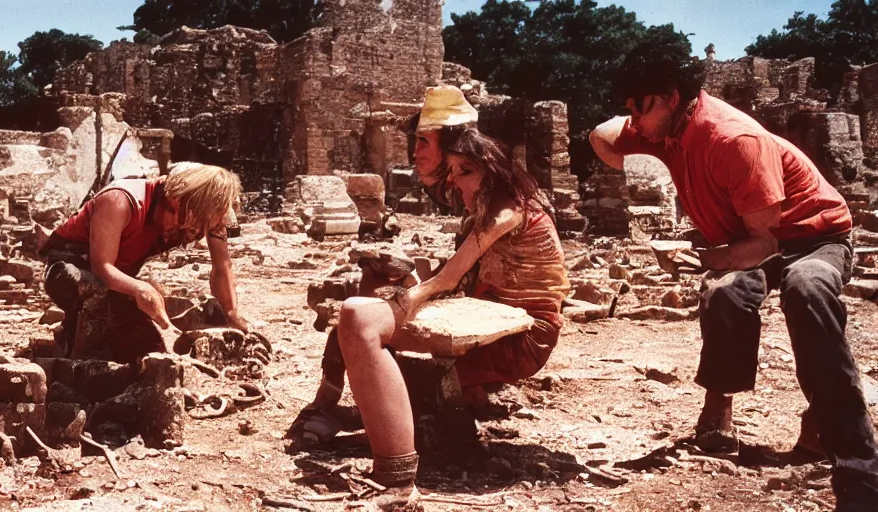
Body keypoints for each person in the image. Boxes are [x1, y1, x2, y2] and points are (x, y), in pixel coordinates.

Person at [590, 40, 878, 510]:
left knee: (807, 290)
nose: (633, 119)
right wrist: (645, 160)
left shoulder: (733, 139)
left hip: (811, 236)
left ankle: (857, 466)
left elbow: (763, 244)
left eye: (638, 107)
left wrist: (706, 259)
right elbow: (600, 137)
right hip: (748, 239)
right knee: (725, 296)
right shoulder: (664, 130)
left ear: (670, 98)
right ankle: (718, 412)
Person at [325, 85, 570, 494]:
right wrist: (403, 282)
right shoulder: (485, 203)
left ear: (489, 165)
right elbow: (460, 275)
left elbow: (450, 278)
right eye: (454, 171)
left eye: (464, 171)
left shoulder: (505, 209)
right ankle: (401, 420)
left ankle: (399, 475)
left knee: (362, 324)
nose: (455, 181)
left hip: (524, 335)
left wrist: (405, 299)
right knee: (364, 322)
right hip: (493, 318)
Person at [40, 162, 247, 364]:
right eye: (190, 226)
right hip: (69, 269)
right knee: (95, 292)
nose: (189, 233)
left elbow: (222, 266)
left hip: (115, 277)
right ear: (173, 201)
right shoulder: (119, 200)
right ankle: (78, 355)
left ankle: (97, 334)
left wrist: (232, 315)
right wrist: (140, 288)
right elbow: (102, 268)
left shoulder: (203, 213)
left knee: (149, 351)